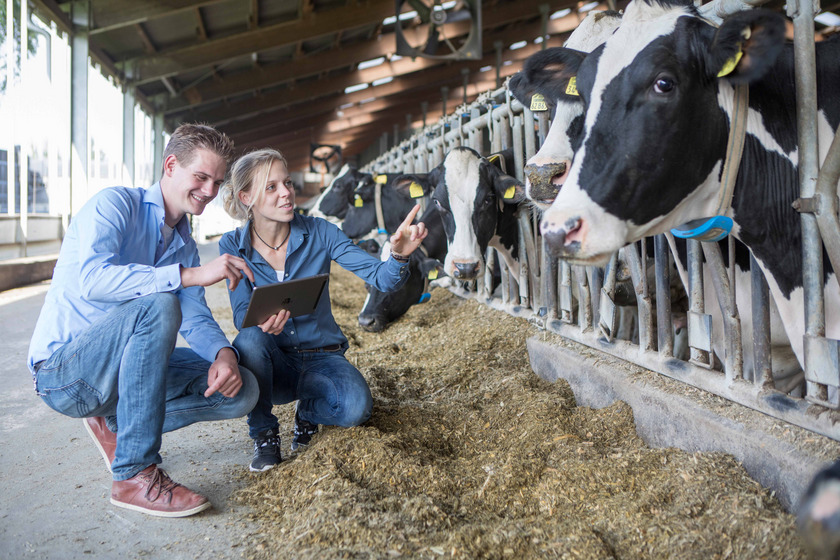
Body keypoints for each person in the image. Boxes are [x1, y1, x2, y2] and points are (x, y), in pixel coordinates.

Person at [27, 124, 260, 518]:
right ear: (171, 165)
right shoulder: (114, 205)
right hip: (65, 372)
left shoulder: (183, 242)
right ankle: (133, 474)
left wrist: (225, 356)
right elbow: (93, 280)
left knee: (242, 389)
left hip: (124, 376)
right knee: (159, 305)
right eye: (200, 177)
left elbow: (195, 315)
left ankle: (116, 424)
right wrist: (187, 275)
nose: (209, 191)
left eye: (217, 182)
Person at [219, 148, 427, 472]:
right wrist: (261, 322)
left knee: (357, 408)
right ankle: (264, 434)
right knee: (248, 339)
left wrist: (398, 256)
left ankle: (309, 413)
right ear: (247, 197)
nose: (287, 193)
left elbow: (380, 278)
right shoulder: (232, 245)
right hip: (272, 365)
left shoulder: (321, 231)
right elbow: (240, 311)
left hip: (323, 357)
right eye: (271, 187)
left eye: (287, 182)